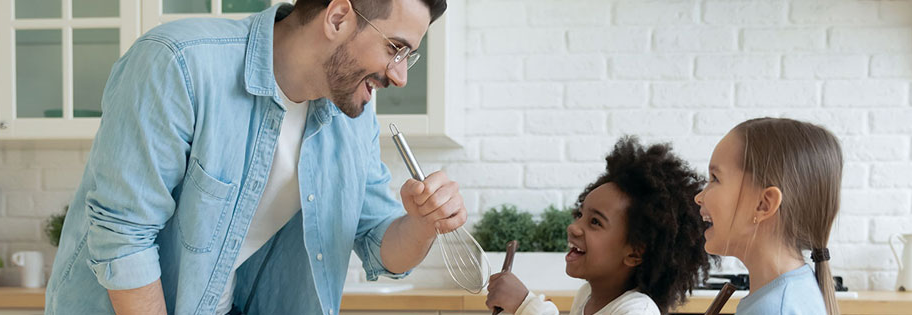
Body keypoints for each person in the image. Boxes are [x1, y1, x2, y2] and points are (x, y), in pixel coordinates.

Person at [45, 1, 457, 314]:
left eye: (407, 56)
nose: (400, 75)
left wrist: (422, 224)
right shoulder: (180, 62)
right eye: (395, 48)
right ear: (337, 18)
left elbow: (378, 243)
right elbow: (123, 236)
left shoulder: (352, 114)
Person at [485, 136, 712, 314]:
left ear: (634, 253)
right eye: (580, 214)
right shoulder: (587, 297)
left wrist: (527, 306)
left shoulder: (638, 311)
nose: (573, 227)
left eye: (595, 222)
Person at [695, 117, 843, 315]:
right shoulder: (789, 292)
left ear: (764, 204)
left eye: (715, 178)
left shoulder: (773, 308)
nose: (699, 197)